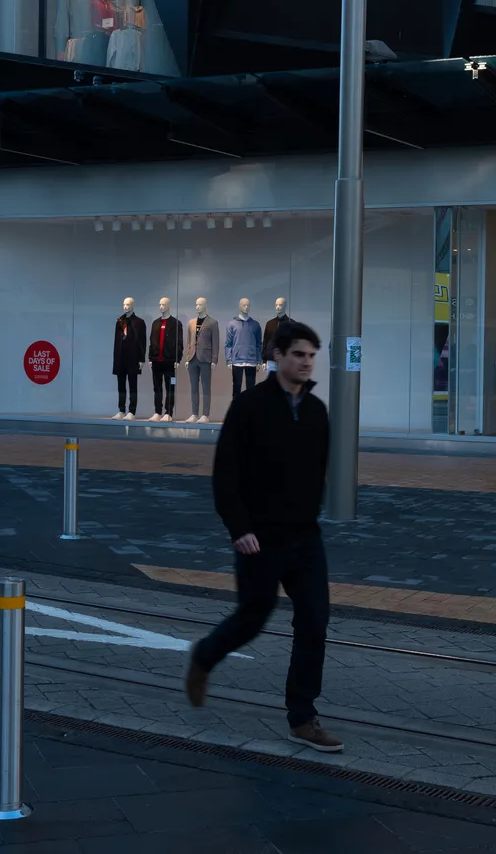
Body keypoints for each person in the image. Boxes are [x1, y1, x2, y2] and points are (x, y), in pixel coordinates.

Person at [183, 320, 342, 754]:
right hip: (260, 538)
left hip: (305, 538)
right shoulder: (249, 407)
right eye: (298, 355)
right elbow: (226, 474)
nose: (307, 362)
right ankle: (204, 657)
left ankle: (303, 717)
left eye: (312, 355)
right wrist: (240, 528)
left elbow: (318, 471)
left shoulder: (316, 412)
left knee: (315, 621)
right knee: (253, 617)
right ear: (277, 356)